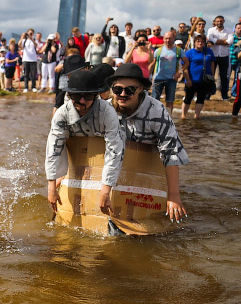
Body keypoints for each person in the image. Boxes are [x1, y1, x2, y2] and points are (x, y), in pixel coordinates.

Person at [106, 63, 188, 223]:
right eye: (117, 90)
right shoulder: (107, 108)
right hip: (123, 156)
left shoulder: (157, 111)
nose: (122, 94)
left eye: (129, 90)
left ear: (141, 90)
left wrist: (173, 196)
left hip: (153, 159)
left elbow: (170, 153)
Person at [45, 70, 123, 216]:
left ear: (95, 96)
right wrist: (51, 188)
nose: (82, 101)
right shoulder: (61, 115)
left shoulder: (107, 112)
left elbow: (114, 150)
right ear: (69, 96)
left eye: (87, 96)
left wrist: (106, 190)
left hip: (102, 155)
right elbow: (53, 150)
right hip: (74, 155)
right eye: (76, 96)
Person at [180, 34, 216, 119]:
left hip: (204, 80)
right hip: (192, 80)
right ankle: (183, 115)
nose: (200, 43)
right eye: (198, 41)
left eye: (202, 41)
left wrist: (212, 75)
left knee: (201, 98)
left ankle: (197, 115)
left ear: (205, 43)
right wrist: (187, 79)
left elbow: (212, 63)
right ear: (195, 42)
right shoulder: (189, 53)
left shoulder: (209, 51)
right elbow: (184, 67)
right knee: (188, 98)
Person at [150, 31, 182, 114]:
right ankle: (155, 116)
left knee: (170, 100)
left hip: (171, 79)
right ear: (163, 39)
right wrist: (150, 76)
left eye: (170, 38)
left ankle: (168, 118)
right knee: (155, 100)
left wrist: (179, 73)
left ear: (173, 39)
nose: (168, 40)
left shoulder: (178, 50)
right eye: (166, 38)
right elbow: (153, 63)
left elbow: (186, 63)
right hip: (158, 78)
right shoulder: (158, 51)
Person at [206, 15, 232, 100]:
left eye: (221, 21)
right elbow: (209, 39)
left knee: (224, 76)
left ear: (224, 21)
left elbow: (230, 42)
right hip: (213, 56)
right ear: (215, 22)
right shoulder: (211, 30)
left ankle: (224, 95)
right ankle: (208, 94)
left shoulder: (229, 30)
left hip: (224, 56)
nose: (219, 22)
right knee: (210, 76)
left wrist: (215, 41)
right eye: (218, 21)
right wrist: (223, 41)